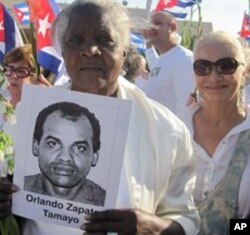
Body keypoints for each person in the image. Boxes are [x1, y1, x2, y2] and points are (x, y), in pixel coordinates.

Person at [0, 0, 200, 234]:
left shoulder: (166, 129)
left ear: (123, 52)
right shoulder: (28, 116)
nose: (90, 50)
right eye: (76, 41)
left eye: (104, 40)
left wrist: (152, 226)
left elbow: (187, 218)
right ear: (63, 52)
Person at [178, 31, 250, 234]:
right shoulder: (174, 129)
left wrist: (235, 230)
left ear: (245, 70)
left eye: (226, 65)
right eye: (203, 67)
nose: (214, 76)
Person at [24, 101, 106, 206]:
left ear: (94, 157)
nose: (65, 157)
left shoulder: (106, 204)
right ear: (36, 146)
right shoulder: (16, 190)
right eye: (53, 144)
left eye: (80, 148)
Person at [142, 11, 195, 114]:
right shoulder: (163, 59)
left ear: (172, 27)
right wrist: (148, 42)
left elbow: (186, 108)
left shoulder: (183, 59)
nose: (152, 27)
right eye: (150, 24)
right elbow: (154, 63)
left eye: (157, 23)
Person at [2, 44, 50, 109]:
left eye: (20, 71)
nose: (14, 76)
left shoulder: (40, 108)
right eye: (10, 69)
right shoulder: (2, 107)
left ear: (33, 77)